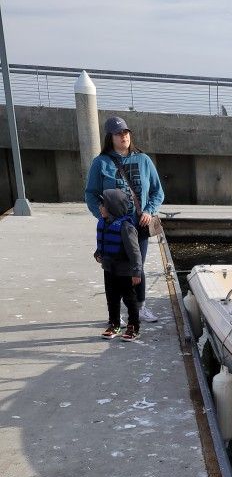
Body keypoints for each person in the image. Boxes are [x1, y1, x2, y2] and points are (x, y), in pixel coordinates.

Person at [85, 116, 164, 323]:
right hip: (114, 227)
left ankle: (140, 307)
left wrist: (149, 210)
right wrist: (99, 209)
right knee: (116, 269)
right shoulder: (100, 163)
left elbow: (157, 192)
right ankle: (117, 313)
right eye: (119, 133)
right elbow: (90, 193)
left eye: (126, 132)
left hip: (139, 225)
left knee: (137, 266)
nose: (124, 136)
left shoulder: (144, 160)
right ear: (109, 137)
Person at [94, 189, 142, 341]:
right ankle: (114, 324)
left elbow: (135, 252)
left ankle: (134, 326)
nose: (100, 208)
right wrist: (98, 253)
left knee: (129, 299)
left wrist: (136, 272)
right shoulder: (105, 223)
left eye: (103, 205)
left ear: (113, 208)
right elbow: (104, 242)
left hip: (125, 271)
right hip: (109, 269)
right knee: (112, 298)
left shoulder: (126, 228)